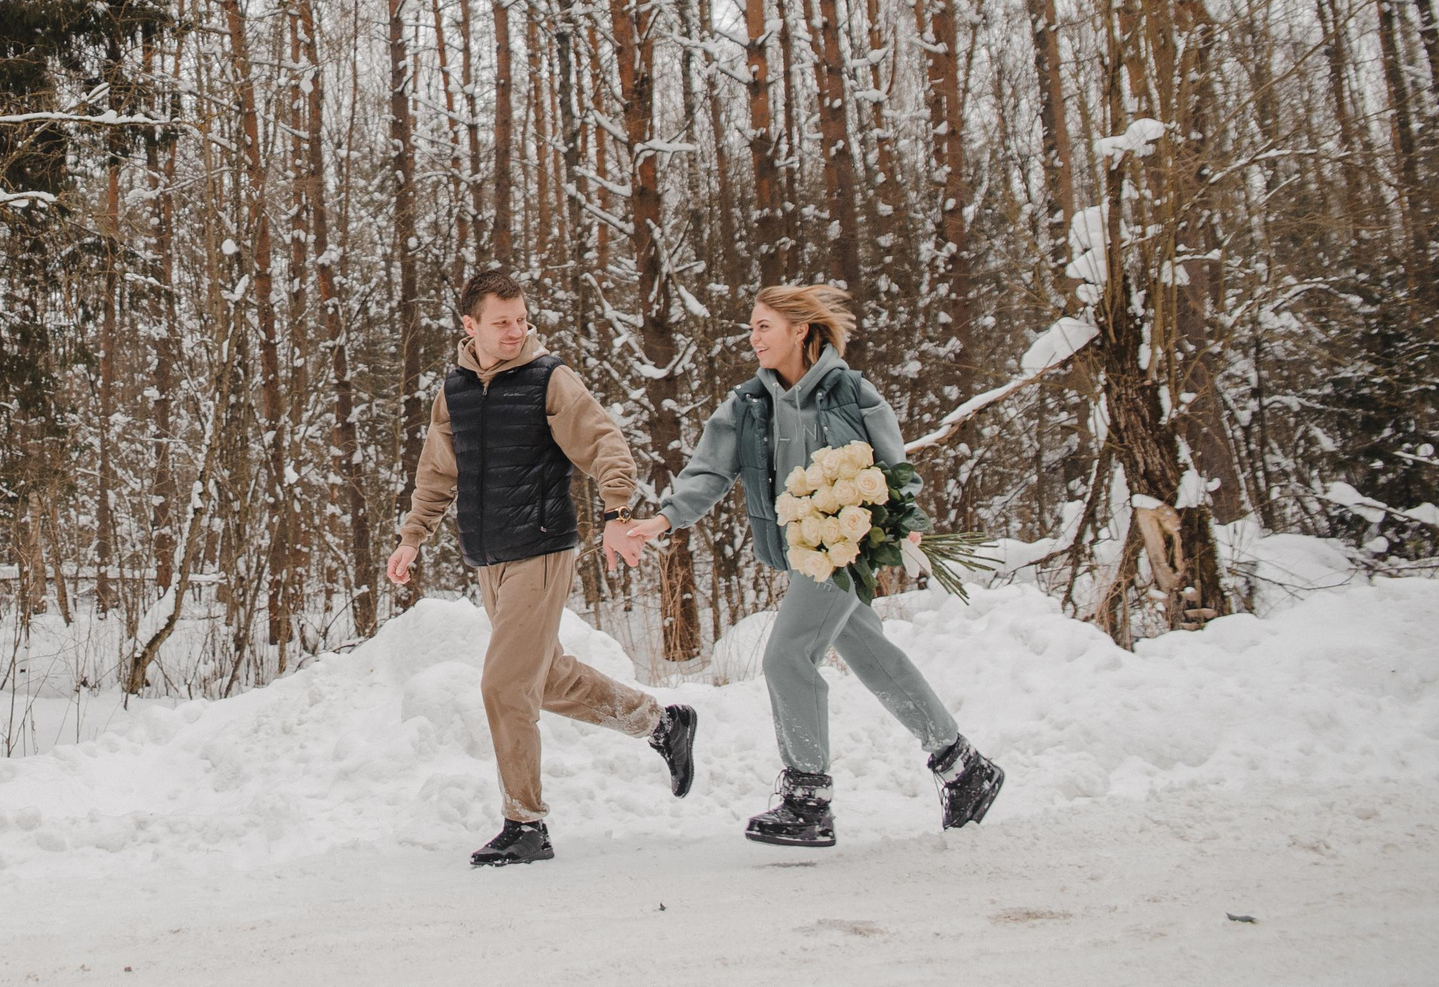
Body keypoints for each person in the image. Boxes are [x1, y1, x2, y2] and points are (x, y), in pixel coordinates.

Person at [615, 283, 1003, 848]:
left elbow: (894, 464)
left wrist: (909, 515)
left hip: (849, 548)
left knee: (786, 656)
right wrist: (663, 519)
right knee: (873, 657)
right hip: (801, 552)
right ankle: (962, 766)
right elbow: (709, 471)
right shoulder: (747, 404)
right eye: (751, 328)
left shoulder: (852, 392)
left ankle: (808, 799)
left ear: (800, 330)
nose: (754, 338)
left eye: (763, 327)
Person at [385, 268, 697, 867]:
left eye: (521, 320)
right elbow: (436, 472)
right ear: (469, 326)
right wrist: (411, 538)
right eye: (501, 322)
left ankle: (526, 823)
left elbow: (604, 441)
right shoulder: (451, 392)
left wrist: (615, 509)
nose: (515, 331)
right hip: (488, 556)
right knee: (546, 679)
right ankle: (662, 725)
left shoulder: (548, 380)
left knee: (504, 685)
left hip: (541, 548)